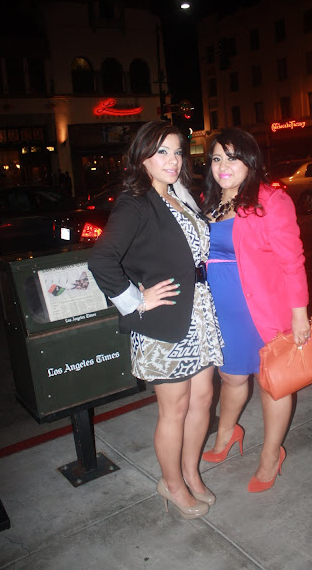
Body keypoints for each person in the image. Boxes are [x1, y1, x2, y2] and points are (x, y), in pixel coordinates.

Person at [88, 121, 224, 519]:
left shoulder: (179, 195)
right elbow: (101, 260)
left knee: (203, 399)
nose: (173, 160)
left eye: (178, 151)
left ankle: (190, 472)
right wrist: (135, 300)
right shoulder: (136, 202)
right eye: (162, 151)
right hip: (164, 320)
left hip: (198, 314)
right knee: (175, 409)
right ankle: (171, 483)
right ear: (142, 156)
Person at [201, 128, 310, 492]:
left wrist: (299, 314)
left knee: (272, 384)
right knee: (231, 377)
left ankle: (271, 455)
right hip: (221, 311)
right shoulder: (208, 202)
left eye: (232, 158)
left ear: (250, 161)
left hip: (262, 310)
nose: (223, 166)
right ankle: (227, 433)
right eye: (217, 158)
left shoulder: (271, 200)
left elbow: (292, 261)